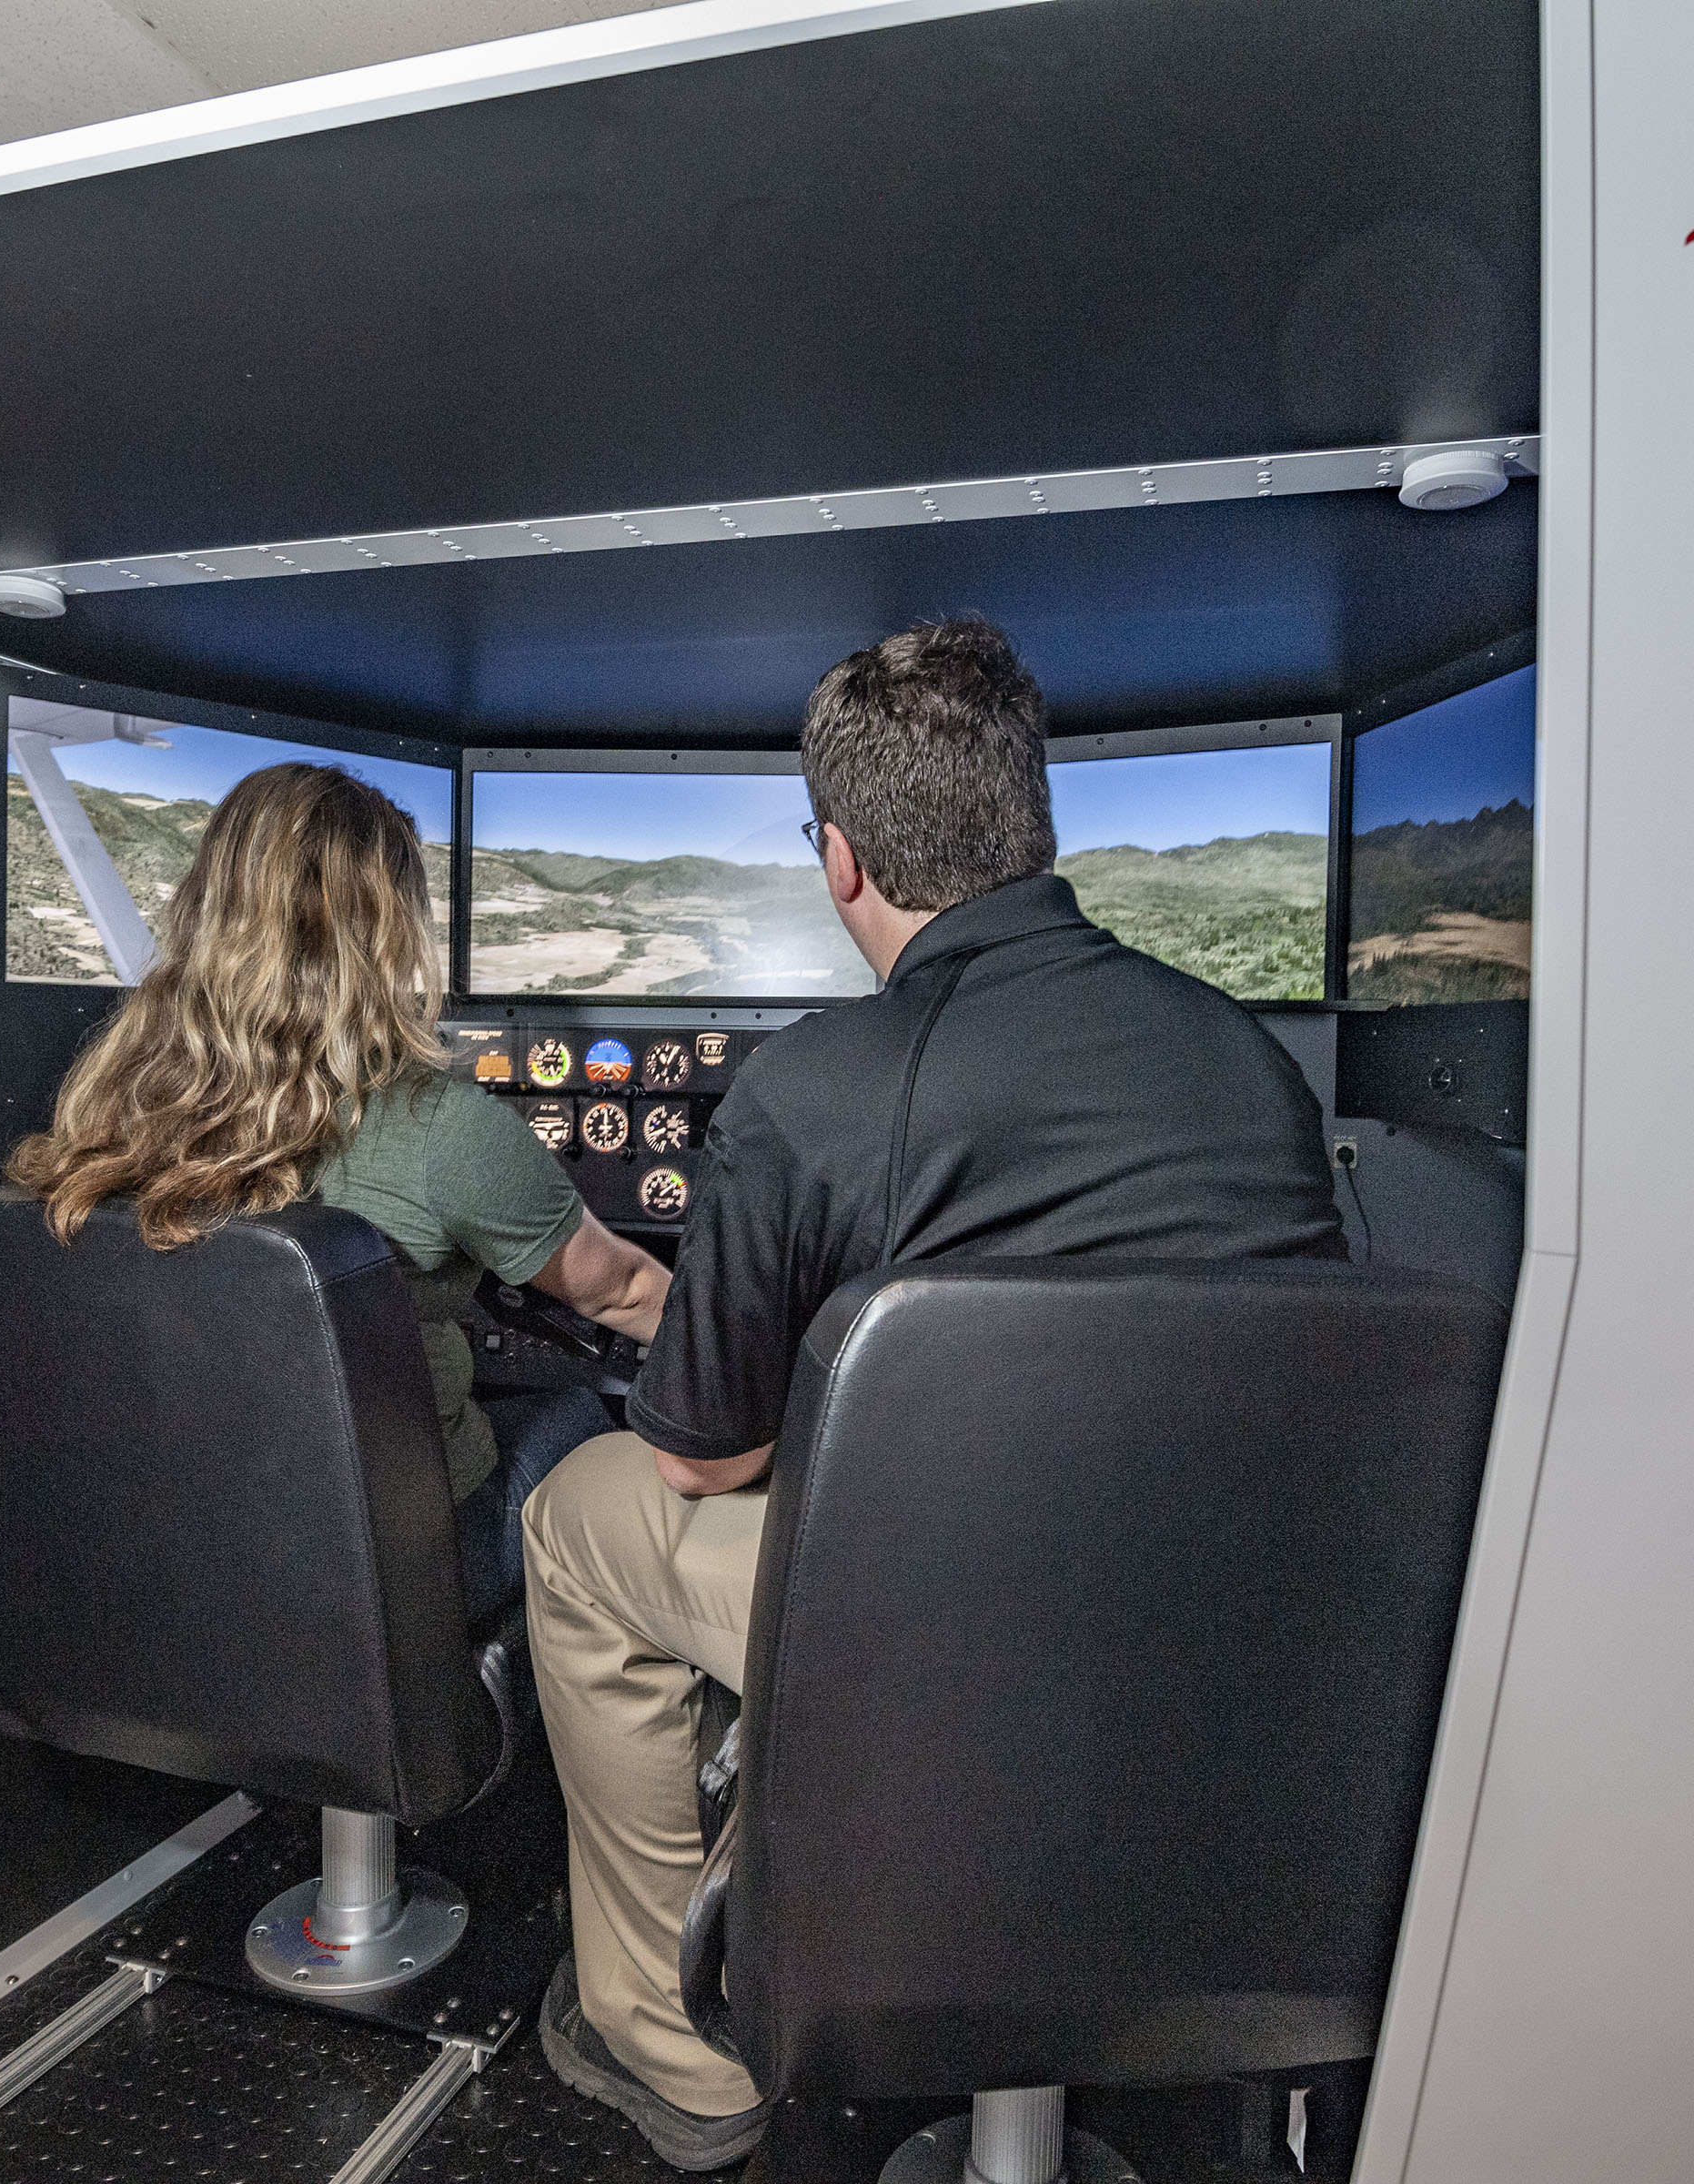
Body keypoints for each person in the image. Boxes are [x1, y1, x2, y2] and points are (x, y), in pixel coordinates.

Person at [521, 620, 1346, 2169]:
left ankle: (668, 2038)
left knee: (580, 1515)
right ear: (1035, 821)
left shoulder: (815, 1091)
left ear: (840, 859)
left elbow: (704, 1458)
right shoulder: (1243, 1060)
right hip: (1241, 1625)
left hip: (952, 1635)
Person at [7, 761, 667, 1624]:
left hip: (176, 1563)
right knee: (580, 1416)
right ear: (388, 934)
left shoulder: (102, 1114)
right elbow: (627, 1293)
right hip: (396, 1574)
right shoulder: (440, 1127)